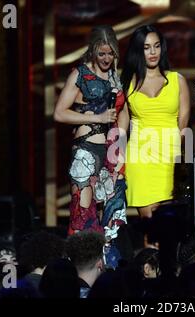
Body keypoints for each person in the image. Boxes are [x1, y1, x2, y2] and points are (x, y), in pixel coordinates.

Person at [54, 25, 128, 242]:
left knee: (112, 218)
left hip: (112, 154)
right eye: (101, 53)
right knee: (83, 217)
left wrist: (120, 147)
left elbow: (123, 112)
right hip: (86, 151)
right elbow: (59, 113)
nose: (106, 58)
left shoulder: (116, 77)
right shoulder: (79, 74)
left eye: (110, 53)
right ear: (92, 51)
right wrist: (98, 118)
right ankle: (78, 272)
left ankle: (107, 272)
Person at [120, 24, 190, 222]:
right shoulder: (127, 83)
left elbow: (183, 124)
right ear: (138, 50)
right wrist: (115, 161)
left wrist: (181, 160)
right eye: (146, 47)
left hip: (169, 158)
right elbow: (121, 127)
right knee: (150, 226)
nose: (152, 52)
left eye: (156, 46)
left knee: (172, 224)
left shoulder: (178, 80)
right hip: (140, 159)